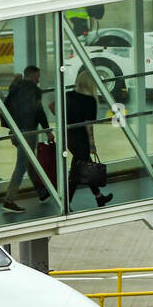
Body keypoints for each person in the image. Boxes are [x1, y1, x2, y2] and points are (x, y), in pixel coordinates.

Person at [1, 65, 50, 214]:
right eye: (38, 76)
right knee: (22, 165)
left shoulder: (16, 86)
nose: (39, 79)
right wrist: (47, 130)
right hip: (27, 132)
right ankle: (9, 200)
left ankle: (42, 192)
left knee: (29, 161)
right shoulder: (34, 91)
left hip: (14, 131)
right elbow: (39, 111)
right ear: (33, 75)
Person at [64, 69, 113, 210]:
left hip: (69, 137)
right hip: (81, 139)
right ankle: (67, 203)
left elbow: (52, 106)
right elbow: (88, 126)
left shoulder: (69, 95)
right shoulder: (90, 100)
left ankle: (99, 197)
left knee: (80, 168)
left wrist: (66, 121)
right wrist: (92, 144)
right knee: (79, 171)